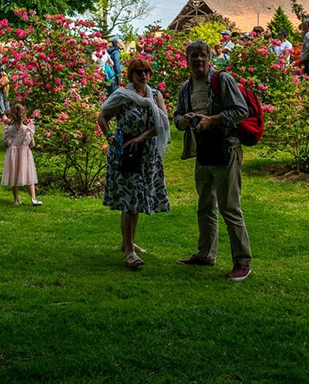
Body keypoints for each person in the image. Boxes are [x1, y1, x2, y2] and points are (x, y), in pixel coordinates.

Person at [174, 40, 253, 281]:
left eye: (202, 56)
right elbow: (176, 118)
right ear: (187, 60)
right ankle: (206, 254)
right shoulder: (186, 88)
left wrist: (213, 120)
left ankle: (242, 262)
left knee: (230, 207)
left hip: (226, 149)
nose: (198, 60)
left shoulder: (223, 80)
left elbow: (241, 111)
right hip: (202, 151)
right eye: (193, 56)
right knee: (205, 205)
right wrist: (185, 120)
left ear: (209, 58)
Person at [97, 56, 170, 269]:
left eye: (147, 71)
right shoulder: (123, 96)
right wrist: (109, 135)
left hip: (147, 155)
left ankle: (127, 242)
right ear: (131, 75)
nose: (144, 75)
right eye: (139, 72)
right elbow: (102, 117)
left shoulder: (155, 96)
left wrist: (143, 137)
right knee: (129, 202)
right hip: (127, 153)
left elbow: (164, 123)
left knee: (136, 200)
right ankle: (129, 251)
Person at [2, 103, 41, 207]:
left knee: (14, 176)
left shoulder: (8, 130)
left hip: (12, 156)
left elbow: (5, 145)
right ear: (23, 116)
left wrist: (11, 144)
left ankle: (16, 200)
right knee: (29, 175)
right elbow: (32, 145)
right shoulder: (27, 130)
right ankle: (33, 198)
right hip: (25, 155)